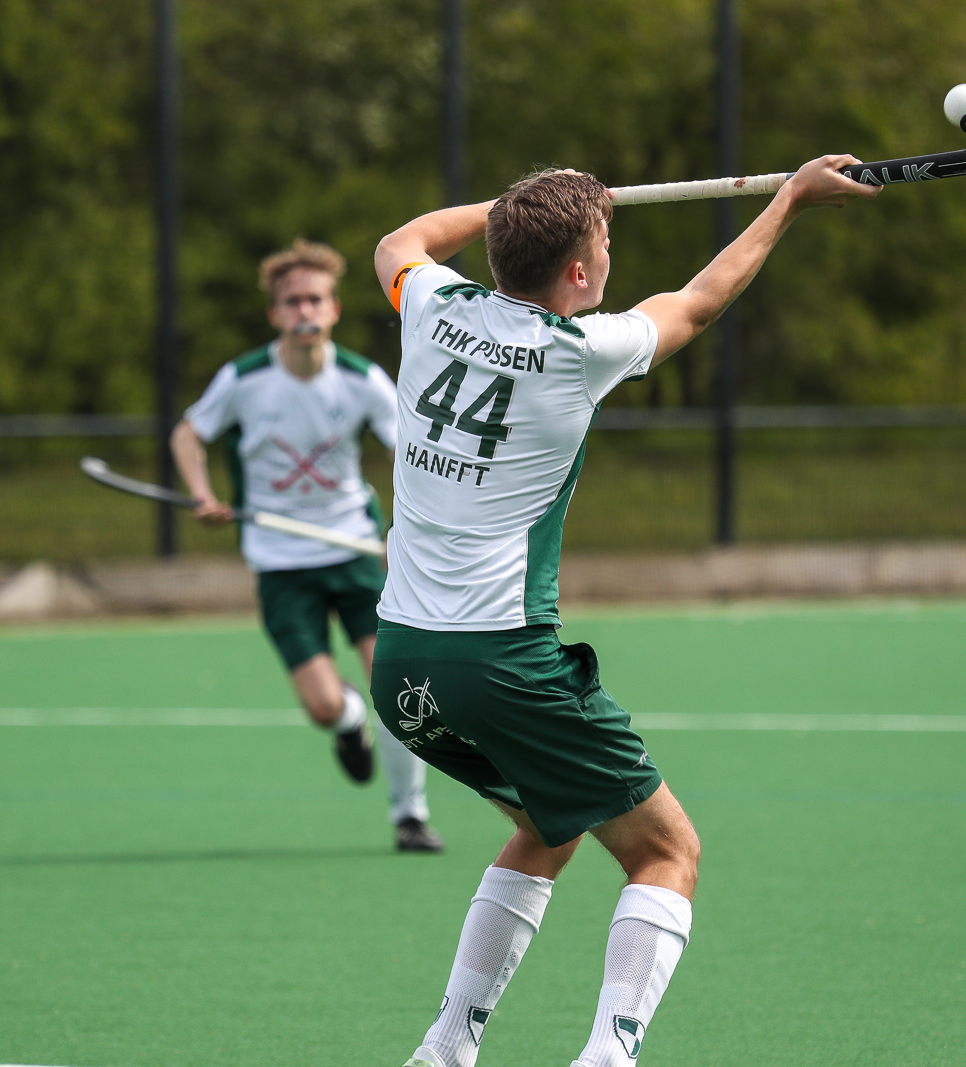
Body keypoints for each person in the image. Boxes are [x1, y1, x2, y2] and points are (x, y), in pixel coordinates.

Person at [369, 158, 876, 1067]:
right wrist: (790, 201)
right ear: (577, 271)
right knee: (665, 850)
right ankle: (609, 1057)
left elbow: (399, 240)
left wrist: (518, 207)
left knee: (546, 825)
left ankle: (444, 1049)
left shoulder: (433, 308)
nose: (611, 252)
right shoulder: (579, 352)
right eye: (603, 241)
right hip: (503, 666)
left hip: (402, 666)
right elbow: (698, 303)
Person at [170, 239, 444, 853]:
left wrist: (410, 529)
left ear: (334, 309)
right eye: (293, 301)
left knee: (395, 686)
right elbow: (189, 434)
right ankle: (348, 723)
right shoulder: (244, 380)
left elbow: (412, 455)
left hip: (354, 550)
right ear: (275, 314)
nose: (305, 310)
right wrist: (202, 495)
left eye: (316, 299)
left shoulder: (361, 380)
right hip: (280, 560)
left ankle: (410, 815)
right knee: (323, 706)